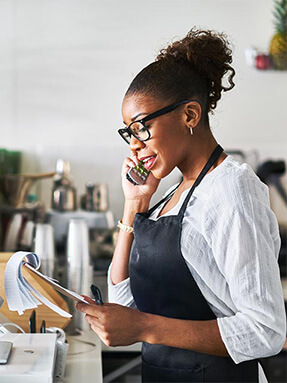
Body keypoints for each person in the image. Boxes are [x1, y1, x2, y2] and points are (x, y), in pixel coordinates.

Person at [76, 28, 286, 382]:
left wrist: (145, 328)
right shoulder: (170, 194)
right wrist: (134, 205)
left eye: (142, 128)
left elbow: (266, 330)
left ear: (190, 115)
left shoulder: (232, 189)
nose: (134, 146)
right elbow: (125, 302)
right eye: (129, 132)